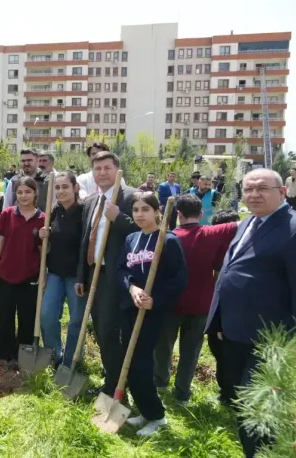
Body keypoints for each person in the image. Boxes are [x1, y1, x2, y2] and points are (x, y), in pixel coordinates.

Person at [207, 169, 296, 457]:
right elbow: (231, 270)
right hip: (235, 333)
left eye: (262, 188)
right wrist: (221, 319)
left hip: (272, 340)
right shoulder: (248, 222)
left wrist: (293, 341)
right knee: (240, 401)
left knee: (257, 410)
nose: (254, 194)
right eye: (248, 189)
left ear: (282, 191)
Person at [153, 194, 238, 406]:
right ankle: (182, 394)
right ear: (201, 214)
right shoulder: (211, 233)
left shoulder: (167, 237)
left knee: (163, 347)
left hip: (172, 303)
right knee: (191, 352)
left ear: (178, 214)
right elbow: (238, 224)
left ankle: (160, 383)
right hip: (201, 305)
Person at [116, 192, 187, 437]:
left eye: (145, 209)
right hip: (130, 308)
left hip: (152, 313)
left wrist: (155, 300)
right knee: (129, 361)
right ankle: (146, 411)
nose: (139, 214)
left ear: (157, 211)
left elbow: (179, 279)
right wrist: (132, 287)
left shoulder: (168, 240)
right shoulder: (131, 239)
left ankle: (157, 416)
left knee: (141, 364)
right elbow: (122, 270)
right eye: (135, 210)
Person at [75, 151, 139, 397]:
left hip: (119, 275)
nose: (102, 173)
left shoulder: (131, 197)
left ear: (117, 170)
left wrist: (120, 218)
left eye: (107, 168)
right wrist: (82, 275)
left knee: (113, 330)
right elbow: (85, 240)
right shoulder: (91, 201)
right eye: (97, 169)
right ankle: (112, 376)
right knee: (102, 328)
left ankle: (118, 383)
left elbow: (147, 231)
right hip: (95, 274)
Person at [0, 177, 45, 363]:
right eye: (20, 192)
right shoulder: (7, 214)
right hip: (7, 271)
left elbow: (44, 251)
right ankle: (4, 351)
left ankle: (23, 353)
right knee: (5, 314)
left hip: (30, 274)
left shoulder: (43, 218)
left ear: (35, 193)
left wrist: (45, 238)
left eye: (28, 192)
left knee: (27, 315)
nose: (23, 196)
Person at [38, 171, 86, 368]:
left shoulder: (85, 211)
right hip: (55, 272)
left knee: (76, 320)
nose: (61, 191)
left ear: (76, 188)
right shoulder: (54, 211)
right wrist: (41, 234)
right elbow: (46, 242)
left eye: (65, 186)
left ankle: (71, 361)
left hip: (77, 275)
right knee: (47, 315)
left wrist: (83, 276)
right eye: (57, 187)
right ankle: (54, 355)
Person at [204, 209, 240, 406]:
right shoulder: (216, 252)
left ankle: (234, 394)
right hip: (217, 309)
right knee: (219, 351)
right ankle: (226, 393)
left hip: (241, 312)